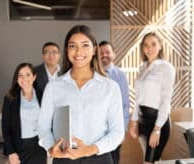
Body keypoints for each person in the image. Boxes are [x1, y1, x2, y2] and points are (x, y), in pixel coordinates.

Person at [38, 25, 125, 164]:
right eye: (73, 46)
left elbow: (117, 132)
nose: (79, 51)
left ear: (94, 49)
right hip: (64, 159)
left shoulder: (110, 87)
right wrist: (50, 148)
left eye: (85, 45)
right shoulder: (54, 87)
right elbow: (43, 127)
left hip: (99, 158)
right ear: (67, 50)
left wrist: (89, 149)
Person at [129, 32, 175, 164]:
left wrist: (157, 129)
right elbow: (138, 99)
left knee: (149, 161)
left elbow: (166, 100)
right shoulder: (143, 68)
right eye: (146, 45)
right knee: (153, 160)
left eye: (153, 44)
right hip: (143, 122)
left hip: (157, 122)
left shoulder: (166, 68)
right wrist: (134, 121)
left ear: (160, 45)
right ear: (142, 48)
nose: (149, 48)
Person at [2, 63, 47, 164]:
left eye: (28, 75)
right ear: (16, 79)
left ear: (34, 77)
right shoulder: (10, 98)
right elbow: (5, 127)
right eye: (20, 75)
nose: (24, 78)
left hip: (39, 146)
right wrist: (11, 152)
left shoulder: (43, 95)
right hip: (19, 146)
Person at [99, 40, 130, 164]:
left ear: (114, 54)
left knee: (114, 160)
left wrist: (122, 130)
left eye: (107, 52)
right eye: (101, 53)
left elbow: (125, 104)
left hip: (114, 128)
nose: (104, 55)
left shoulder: (120, 75)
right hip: (97, 131)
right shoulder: (92, 75)